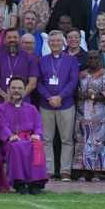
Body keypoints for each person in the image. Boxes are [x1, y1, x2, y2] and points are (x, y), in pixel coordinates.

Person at [36, 30, 79, 180]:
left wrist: (60, 96)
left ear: (63, 43)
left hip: (66, 104)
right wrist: (49, 97)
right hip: (46, 104)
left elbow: (73, 81)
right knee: (46, 139)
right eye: (52, 41)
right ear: (48, 43)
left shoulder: (71, 60)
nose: (55, 43)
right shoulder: (42, 60)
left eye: (58, 41)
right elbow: (38, 82)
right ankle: (48, 170)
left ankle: (65, 170)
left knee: (67, 139)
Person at [0, 78, 46, 193]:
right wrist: (10, 135)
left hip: (29, 138)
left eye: (20, 88)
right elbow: (2, 125)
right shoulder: (1, 108)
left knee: (37, 145)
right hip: (11, 140)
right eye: (13, 88)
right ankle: (19, 183)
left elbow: (38, 125)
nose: (16, 90)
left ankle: (35, 183)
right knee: (16, 146)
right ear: (8, 90)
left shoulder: (32, 108)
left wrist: (37, 134)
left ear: (24, 90)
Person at [71, 52, 105, 181]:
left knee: (97, 143)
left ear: (100, 60)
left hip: (98, 116)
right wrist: (80, 95)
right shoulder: (81, 75)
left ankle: (96, 171)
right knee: (82, 142)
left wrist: (92, 96)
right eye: (90, 58)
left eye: (96, 58)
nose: (93, 60)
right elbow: (74, 91)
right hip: (82, 114)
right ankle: (83, 171)